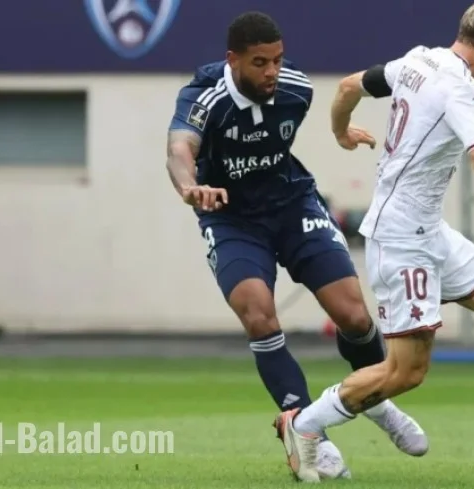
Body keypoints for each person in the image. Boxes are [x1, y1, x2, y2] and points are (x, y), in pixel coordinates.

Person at [274, 1, 474, 482]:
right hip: (402, 241)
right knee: (405, 373)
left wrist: (341, 130)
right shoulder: (463, 90)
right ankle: (302, 426)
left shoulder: (417, 60)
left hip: (428, 231)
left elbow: (349, 87)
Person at [165, 11, 428, 479]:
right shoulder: (204, 97)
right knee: (258, 313)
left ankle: (375, 400)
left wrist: (341, 133)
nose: (271, 72)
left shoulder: (294, 89)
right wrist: (190, 187)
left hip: (293, 206)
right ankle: (309, 432)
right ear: (234, 60)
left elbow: (335, 104)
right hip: (232, 220)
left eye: (277, 60)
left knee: (353, 313)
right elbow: (179, 149)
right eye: (260, 62)